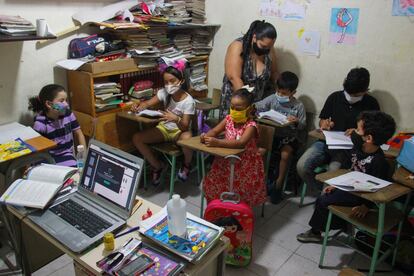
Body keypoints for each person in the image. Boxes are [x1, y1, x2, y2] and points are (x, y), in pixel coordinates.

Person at [297, 111, 396, 242]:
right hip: (351, 187)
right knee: (326, 194)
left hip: (361, 196)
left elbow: (378, 189)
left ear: (369, 138)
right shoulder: (358, 148)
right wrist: (336, 184)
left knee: (322, 201)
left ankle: (316, 232)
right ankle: (341, 225)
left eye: (358, 129)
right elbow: (352, 170)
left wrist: (366, 206)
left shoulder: (379, 162)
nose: (354, 131)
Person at [296, 67, 380, 191]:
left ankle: (325, 200)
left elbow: (373, 133)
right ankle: (323, 193)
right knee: (302, 166)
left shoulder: (371, 104)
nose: (350, 97)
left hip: (349, 150)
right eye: (348, 93)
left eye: (356, 95)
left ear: (365, 91)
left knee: (332, 172)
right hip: (326, 143)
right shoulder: (334, 97)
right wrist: (324, 124)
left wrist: (357, 132)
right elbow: (322, 120)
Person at [132, 61, 195, 185]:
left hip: (179, 131)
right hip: (164, 129)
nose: (168, 85)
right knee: (137, 138)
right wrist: (138, 106)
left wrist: (176, 119)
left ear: (181, 81)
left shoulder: (188, 101)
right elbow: (147, 103)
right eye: (166, 82)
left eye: (172, 81)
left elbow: (185, 126)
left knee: (187, 138)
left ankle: (187, 164)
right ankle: (158, 166)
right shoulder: (164, 93)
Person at [201, 88, 266, 206]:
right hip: (224, 161)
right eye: (232, 107)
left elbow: (241, 143)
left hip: (244, 164)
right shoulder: (228, 119)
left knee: (239, 191)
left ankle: (237, 214)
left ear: (249, 109)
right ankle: (217, 209)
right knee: (211, 184)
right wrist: (206, 136)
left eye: (239, 109)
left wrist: (218, 143)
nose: (234, 111)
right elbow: (215, 131)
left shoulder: (251, 125)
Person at [255, 71, 306, 203]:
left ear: (293, 92)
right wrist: (258, 111)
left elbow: (302, 126)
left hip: (289, 137)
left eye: (284, 93)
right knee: (261, 151)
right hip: (272, 134)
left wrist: (296, 121)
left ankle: (278, 185)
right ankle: (261, 182)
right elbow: (258, 106)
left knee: (285, 154)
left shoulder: (298, 106)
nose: (280, 95)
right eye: (278, 91)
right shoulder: (272, 98)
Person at [220, 20, 278, 119]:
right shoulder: (238, 46)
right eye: (263, 46)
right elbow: (234, 78)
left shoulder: (268, 50)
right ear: (254, 37)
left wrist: (283, 91)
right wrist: (247, 105)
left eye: (269, 47)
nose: (266, 50)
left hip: (258, 106)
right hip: (238, 104)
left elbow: (274, 73)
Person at [28, 84, 86, 167]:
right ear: (49, 104)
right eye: (61, 101)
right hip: (47, 159)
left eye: (66, 100)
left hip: (66, 155)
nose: (66, 104)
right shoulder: (41, 124)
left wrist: (84, 155)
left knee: (75, 174)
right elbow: (33, 148)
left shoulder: (68, 114)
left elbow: (79, 133)